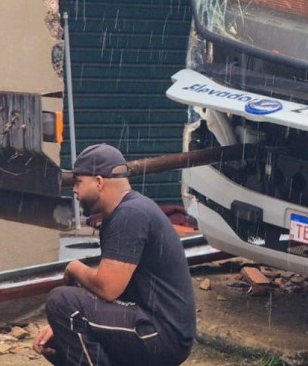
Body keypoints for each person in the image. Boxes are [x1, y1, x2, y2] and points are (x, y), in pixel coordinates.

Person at [34, 144, 196, 366]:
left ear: (99, 182)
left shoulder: (130, 215)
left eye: (78, 182)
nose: (74, 190)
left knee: (61, 301)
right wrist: (61, 326)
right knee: (61, 341)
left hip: (162, 335)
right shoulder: (123, 214)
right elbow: (112, 291)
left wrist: (74, 267)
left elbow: (108, 288)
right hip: (155, 328)